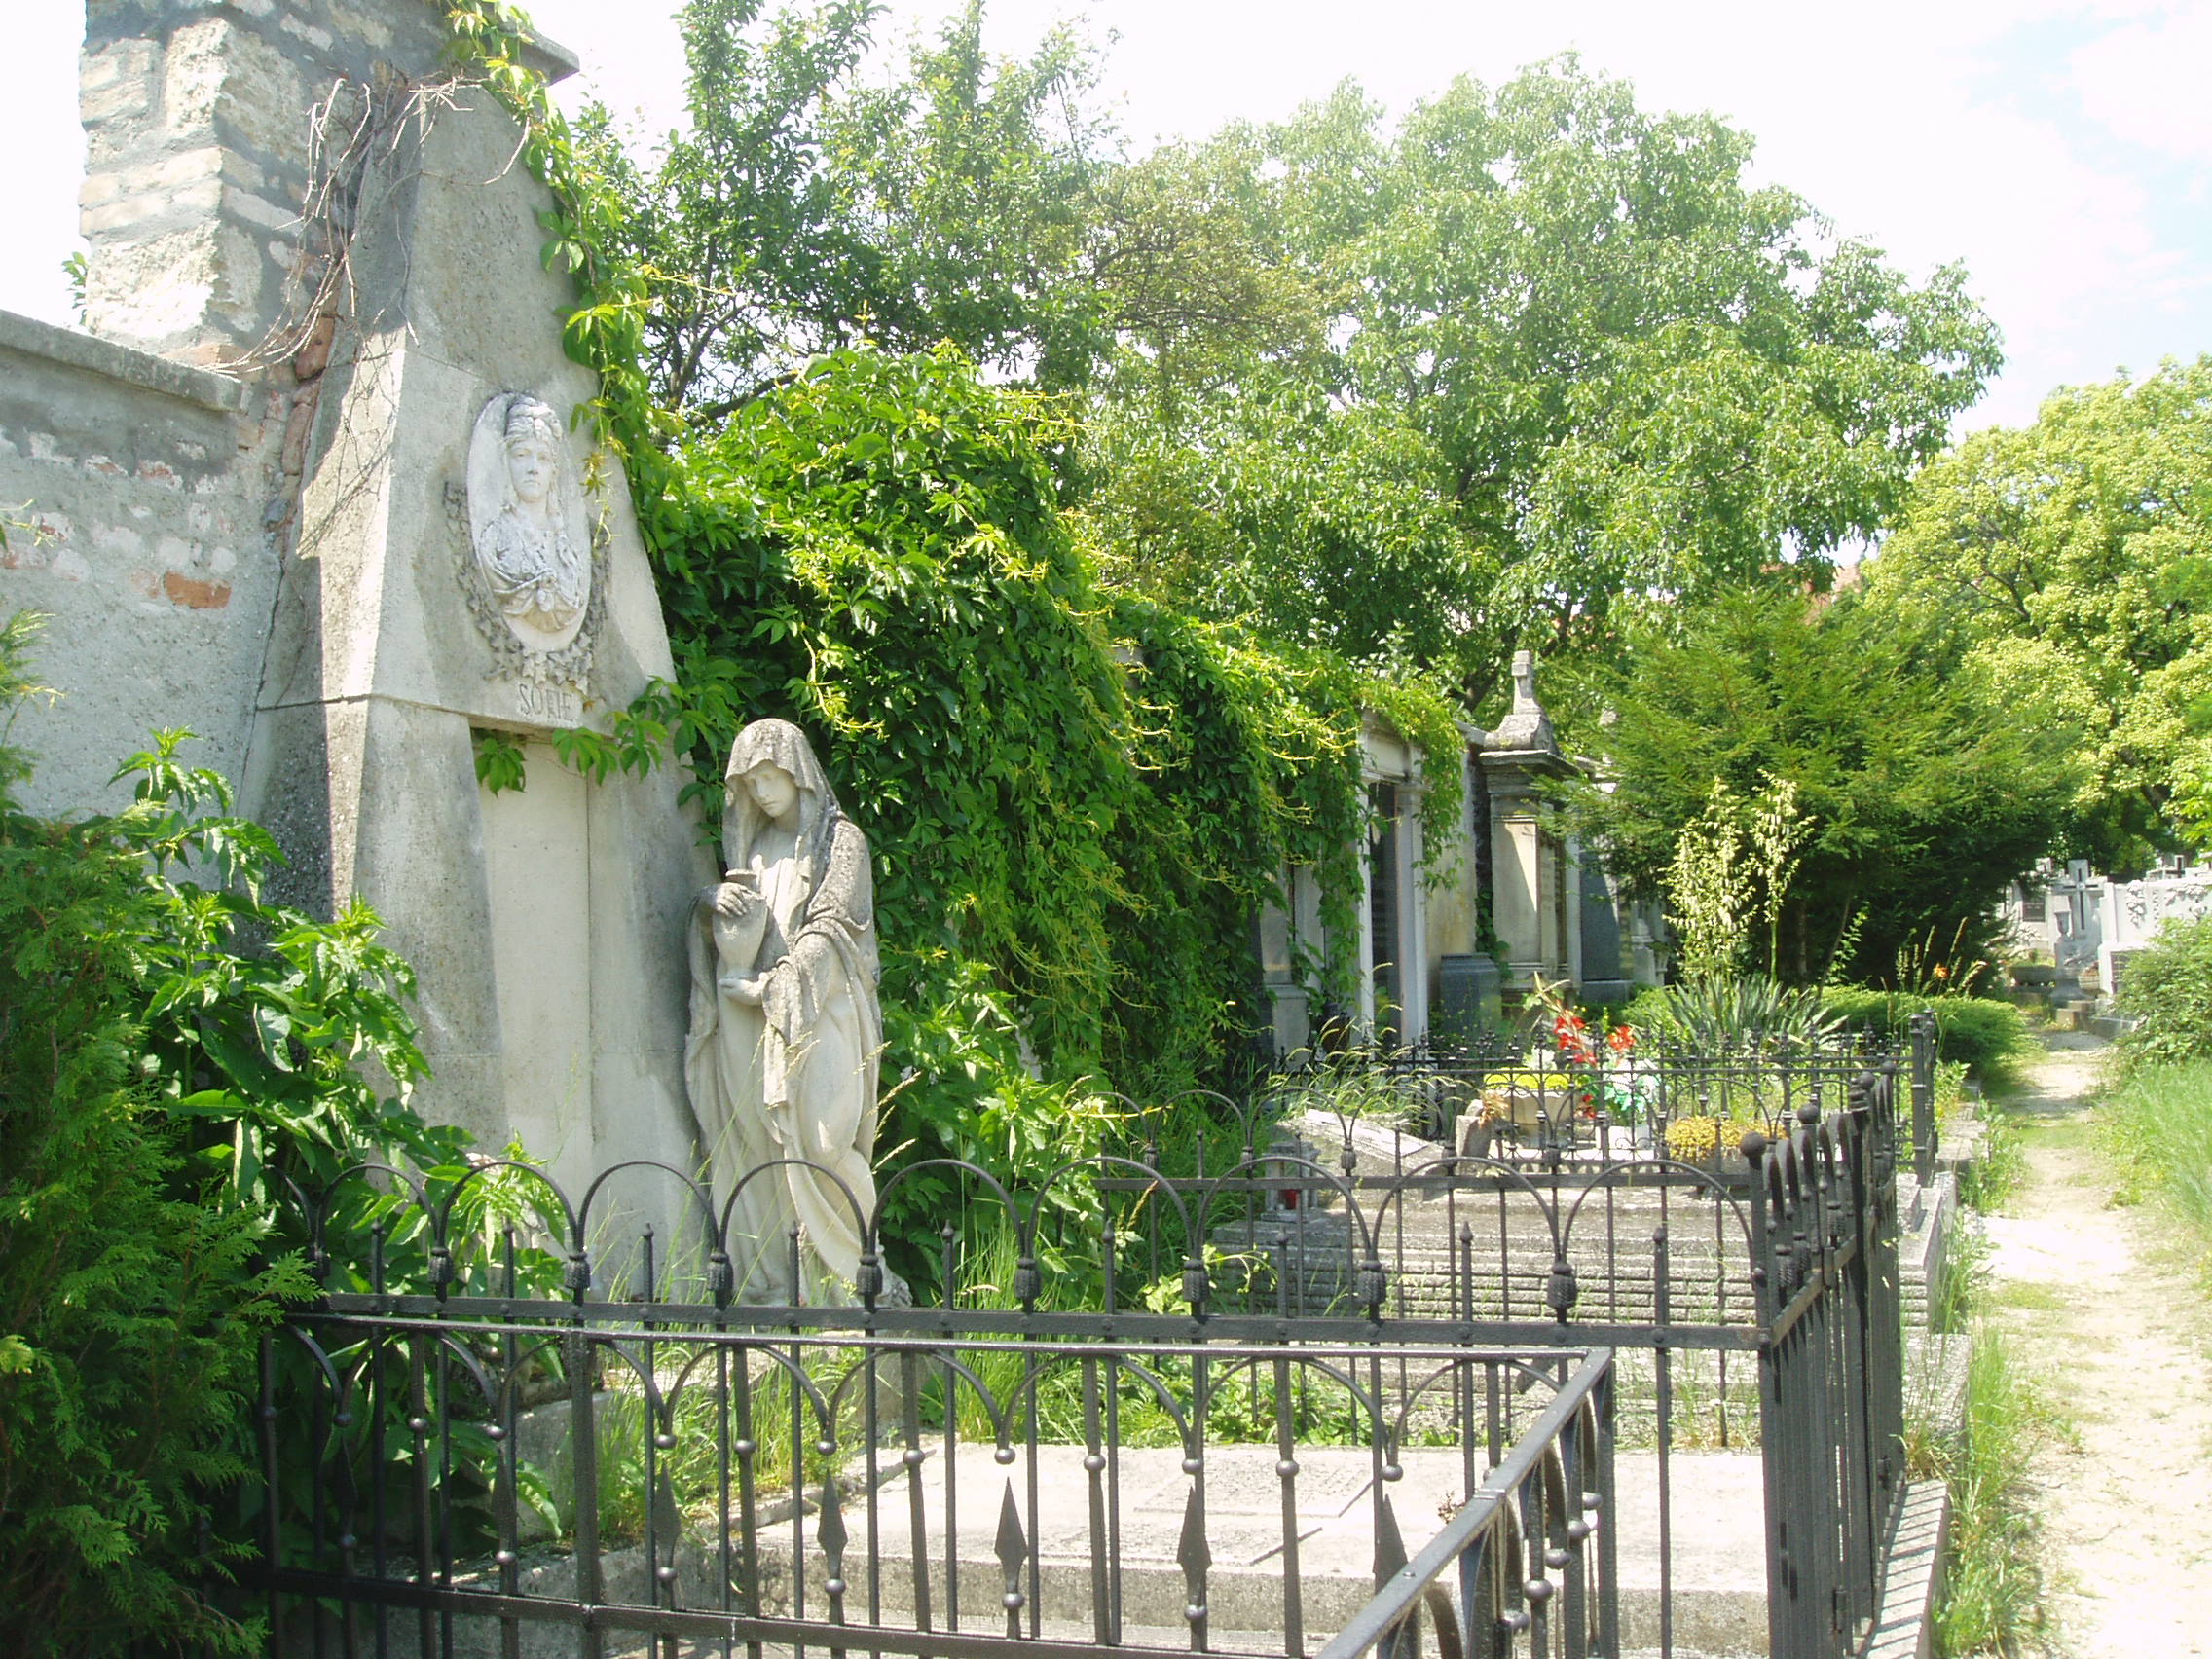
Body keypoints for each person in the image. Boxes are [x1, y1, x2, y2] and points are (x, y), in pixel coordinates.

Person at [683, 719, 884, 1303]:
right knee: (761, 1146)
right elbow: (733, 921)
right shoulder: (755, 848)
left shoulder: (840, 842)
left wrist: (781, 984)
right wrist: (711, 903)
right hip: (752, 1016)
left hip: (822, 1011)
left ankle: (861, 1275)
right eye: (751, 783)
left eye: (771, 777)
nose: (763, 791)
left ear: (799, 775)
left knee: (824, 1145)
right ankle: (782, 1281)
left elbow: (834, 925)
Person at [476, 394, 587, 636]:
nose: (533, 468)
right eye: (521, 455)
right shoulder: (494, 539)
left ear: (553, 471)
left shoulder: (566, 554)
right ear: (506, 462)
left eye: (543, 458)